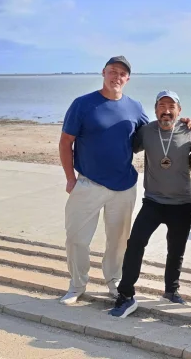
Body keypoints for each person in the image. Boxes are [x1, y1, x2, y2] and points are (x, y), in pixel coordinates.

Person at [59, 56, 149, 305]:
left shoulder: (135, 107)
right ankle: (77, 285)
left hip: (124, 186)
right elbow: (66, 141)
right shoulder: (83, 104)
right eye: (113, 72)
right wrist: (70, 178)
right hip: (88, 184)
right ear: (103, 73)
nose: (116, 77)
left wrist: (184, 123)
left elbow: (152, 134)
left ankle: (114, 281)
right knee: (76, 238)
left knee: (119, 240)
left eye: (122, 74)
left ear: (127, 79)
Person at [109, 90, 191, 318]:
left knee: (176, 250)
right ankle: (126, 295)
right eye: (162, 106)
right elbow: (125, 147)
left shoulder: (189, 131)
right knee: (135, 244)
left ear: (179, 111)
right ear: (156, 108)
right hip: (153, 201)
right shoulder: (146, 131)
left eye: (172, 106)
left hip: (182, 202)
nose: (166, 110)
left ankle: (171, 290)